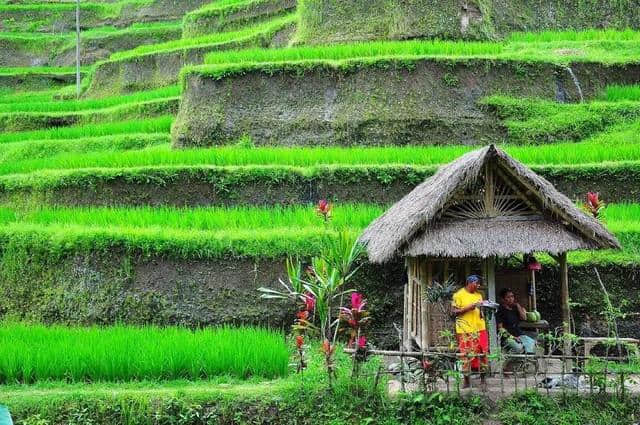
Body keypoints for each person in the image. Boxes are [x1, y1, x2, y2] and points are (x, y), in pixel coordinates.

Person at [451, 275, 489, 388]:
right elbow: (453, 312)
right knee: (465, 355)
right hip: (464, 330)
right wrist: (468, 307)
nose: (478, 286)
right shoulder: (458, 295)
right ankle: (466, 380)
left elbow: (480, 312)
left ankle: (483, 380)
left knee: (483, 353)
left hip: (480, 328)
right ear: (471, 282)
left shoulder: (479, 295)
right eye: (477, 284)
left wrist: (484, 308)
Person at [496, 288, 536, 354]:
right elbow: (500, 329)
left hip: (519, 334)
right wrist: (513, 337)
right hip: (507, 337)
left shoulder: (515, 308)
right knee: (519, 348)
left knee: (531, 343)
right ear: (503, 299)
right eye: (508, 297)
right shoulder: (500, 311)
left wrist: (518, 306)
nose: (511, 299)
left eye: (512, 296)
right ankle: (510, 362)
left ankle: (526, 361)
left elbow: (524, 318)